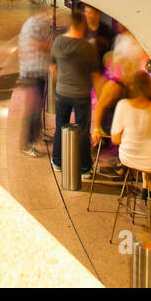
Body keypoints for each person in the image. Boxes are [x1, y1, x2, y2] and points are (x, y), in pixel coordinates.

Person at [50, 11, 103, 178]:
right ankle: (84, 168)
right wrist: (101, 97)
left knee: (60, 125)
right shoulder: (87, 47)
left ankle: (57, 161)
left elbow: (53, 68)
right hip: (81, 94)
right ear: (81, 25)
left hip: (62, 92)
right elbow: (95, 75)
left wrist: (60, 83)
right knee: (82, 129)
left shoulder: (58, 42)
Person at [110, 72, 151, 187]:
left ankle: (146, 185)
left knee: (145, 146)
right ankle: (147, 185)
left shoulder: (123, 105)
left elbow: (116, 140)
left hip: (127, 157)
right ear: (150, 87)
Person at [17, 5, 54, 157]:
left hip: (38, 71)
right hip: (31, 74)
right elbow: (35, 44)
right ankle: (27, 143)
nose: (49, 15)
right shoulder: (33, 25)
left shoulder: (38, 23)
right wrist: (48, 45)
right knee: (32, 109)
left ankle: (37, 134)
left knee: (37, 108)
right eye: (46, 12)